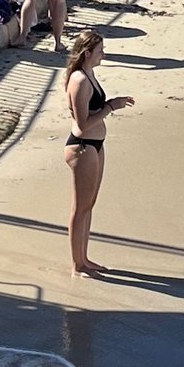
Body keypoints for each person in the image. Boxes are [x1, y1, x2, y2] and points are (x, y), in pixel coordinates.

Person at [61, 30, 127, 277]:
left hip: (95, 146)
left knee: (89, 205)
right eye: (100, 51)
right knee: (80, 207)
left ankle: (84, 258)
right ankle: (77, 263)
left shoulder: (89, 73)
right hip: (82, 146)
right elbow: (82, 124)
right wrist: (111, 106)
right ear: (87, 53)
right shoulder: (79, 80)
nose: (104, 54)